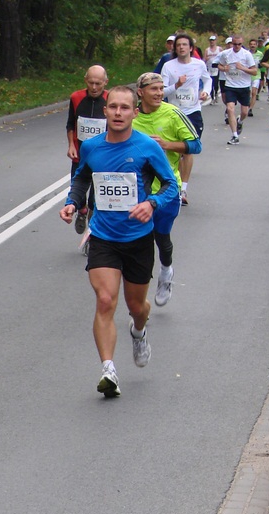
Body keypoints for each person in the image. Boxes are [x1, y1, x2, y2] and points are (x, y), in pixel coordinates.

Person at [59, 85, 180, 398]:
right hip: (103, 236)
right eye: (113, 107)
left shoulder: (146, 147)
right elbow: (82, 177)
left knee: (137, 307)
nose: (117, 113)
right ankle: (108, 370)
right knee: (105, 300)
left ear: (135, 113)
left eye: (125, 108)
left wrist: (151, 203)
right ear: (105, 111)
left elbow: (170, 186)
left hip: (138, 238)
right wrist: (73, 202)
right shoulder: (92, 147)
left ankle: (138, 331)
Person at [132, 72, 201, 308]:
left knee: (161, 238)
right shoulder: (132, 117)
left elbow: (196, 145)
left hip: (166, 190)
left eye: (162, 89)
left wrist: (166, 145)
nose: (160, 93)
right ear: (140, 92)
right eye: (154, 89)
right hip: (138, 191)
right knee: (139, 244)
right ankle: (138, 304)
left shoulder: (172, 113)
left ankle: (166, 271)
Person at [160, 33, 210, 205]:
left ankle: (183, 189)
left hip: (193, 111)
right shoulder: (168, 66)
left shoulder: (199, 64)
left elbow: (208, 80)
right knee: (175, 151)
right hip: (173, 112)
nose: (181, 47)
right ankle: (174, 184)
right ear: (175, 48)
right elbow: (162, 92)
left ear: (191, 48)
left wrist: (206, 92)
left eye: (184, 44)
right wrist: (177, 85)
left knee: (187, 150)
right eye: (178, 45)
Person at [65, 65, 109, 239]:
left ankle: (92, 224)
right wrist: (71, 145)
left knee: (96, 197)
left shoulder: (110, 99)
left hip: (102, 157)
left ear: (106, 82)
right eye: (91, 83)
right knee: (77, 190)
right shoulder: (76, 98)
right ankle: (82, 210)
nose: (94, 87)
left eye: (98, 83)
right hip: (80, 155)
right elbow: (71, 124)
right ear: (85, 81)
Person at [217, 34, 258, 143]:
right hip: (230, 85)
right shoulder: (226, 54)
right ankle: (235, 135)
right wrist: (224, 68)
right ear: (232, 43)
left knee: (244, 112)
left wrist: (242, 68)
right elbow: (219, 65)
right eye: (235, 44)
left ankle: (240, 121)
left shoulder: (247, 55)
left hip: (244, 86)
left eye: (239, 44)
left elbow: (254, 71)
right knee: (230, 109)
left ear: (242, 43)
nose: (237, 46)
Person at [204, 35, 223, 105]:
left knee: (215, 84)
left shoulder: (219, 49)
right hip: (209, 69)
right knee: (210, 84)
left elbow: (223, 57)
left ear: (215, 41)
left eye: (213, 40)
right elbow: (204, 59)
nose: (212, 42)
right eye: (211, 40)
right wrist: (206, 59)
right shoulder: (207, 50)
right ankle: (212, 98)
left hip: (217, 69)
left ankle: (216, 94)